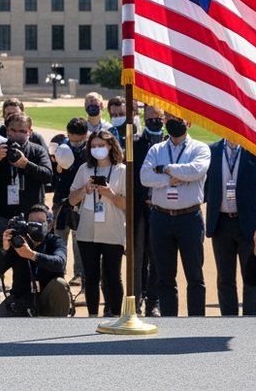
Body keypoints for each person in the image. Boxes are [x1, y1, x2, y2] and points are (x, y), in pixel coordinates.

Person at [0, 111, 51, 316]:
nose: (17, 135)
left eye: (22, 131)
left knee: (27, 263)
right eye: (13, 130)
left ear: (30, 132)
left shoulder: (37, 150)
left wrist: (26, 164)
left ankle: (28, 305)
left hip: (31, 219)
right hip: (3, 217)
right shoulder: (0, 149)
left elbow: (48, 175)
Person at [139, 113, 210, 317]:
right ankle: (170, 320)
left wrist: (166, 169)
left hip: (189, 218)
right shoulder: (157, 149)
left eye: (177, 119)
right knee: (164, 276)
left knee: (194, 275)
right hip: (161, 217)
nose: (172, 122)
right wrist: (169, 180)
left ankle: (196, 321)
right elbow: (145, 176)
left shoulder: (200, 148)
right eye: (168, 118)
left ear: (188, 122)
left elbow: (196, 170)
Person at [204, 137, 256, 315]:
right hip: (221, 222)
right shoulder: (211, 150)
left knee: (251, 276)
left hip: (250, 223)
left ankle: (250, 320)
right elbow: (206, 185)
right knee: (225, 278)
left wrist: (254, 209)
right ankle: (229, 319)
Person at [68, 129, 128, 317]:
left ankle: (116, 314)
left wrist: (110, 195)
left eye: (101, 145)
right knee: (91, 277)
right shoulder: (84, 169)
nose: (97, 149)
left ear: (110, 146)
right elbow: (71, 200)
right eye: (93, 146)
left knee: (112, 277)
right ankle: (92, 316)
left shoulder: (122, 170)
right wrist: (84, 189)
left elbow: (127, 204)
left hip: (112, 229)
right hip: (88, 230)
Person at [0, 203, 72, 317]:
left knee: (60, 284)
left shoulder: (55, 241)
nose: (35, 226)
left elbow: (59, 263)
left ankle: (56, 325)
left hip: (47, 299)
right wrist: (5, 249)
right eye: (31, 222)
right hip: (21, 298)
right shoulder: (19, 242)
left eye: (40, 222)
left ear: (50, 225)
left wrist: (32, 255)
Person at [133, 105, 167, 316]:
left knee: (157, 257)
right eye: (151, 117)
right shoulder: (135, 143)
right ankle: (137, 298)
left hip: (162, 206)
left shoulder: (169, 143)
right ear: (144, 117)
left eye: (158, 117)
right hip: (139, 207)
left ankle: (153, 300)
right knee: (139, 256)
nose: (155, 121)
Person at [50, 117, 90, 284]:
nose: (74, 143)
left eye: (78, 140)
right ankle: (58, 271)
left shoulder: (89, 150)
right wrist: (57, 167)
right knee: (59, 236)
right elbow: (51, 175)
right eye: (72, 139)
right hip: (61, 198)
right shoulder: (60, 147)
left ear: (85, 135)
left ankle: (79, 274)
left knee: (78, 238)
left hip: (81, 200)